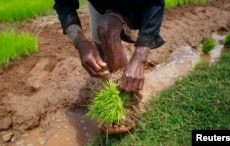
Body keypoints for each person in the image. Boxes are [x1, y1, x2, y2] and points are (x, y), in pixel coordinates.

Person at [54, 0, 165, 133]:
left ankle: (127, 105)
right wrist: (80, 41)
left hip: (133, 4)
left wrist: (140, 57)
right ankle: (112, 98)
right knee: (100, 43)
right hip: (100, 3)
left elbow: (154, 2)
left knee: (108, 30)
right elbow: (63, 3)